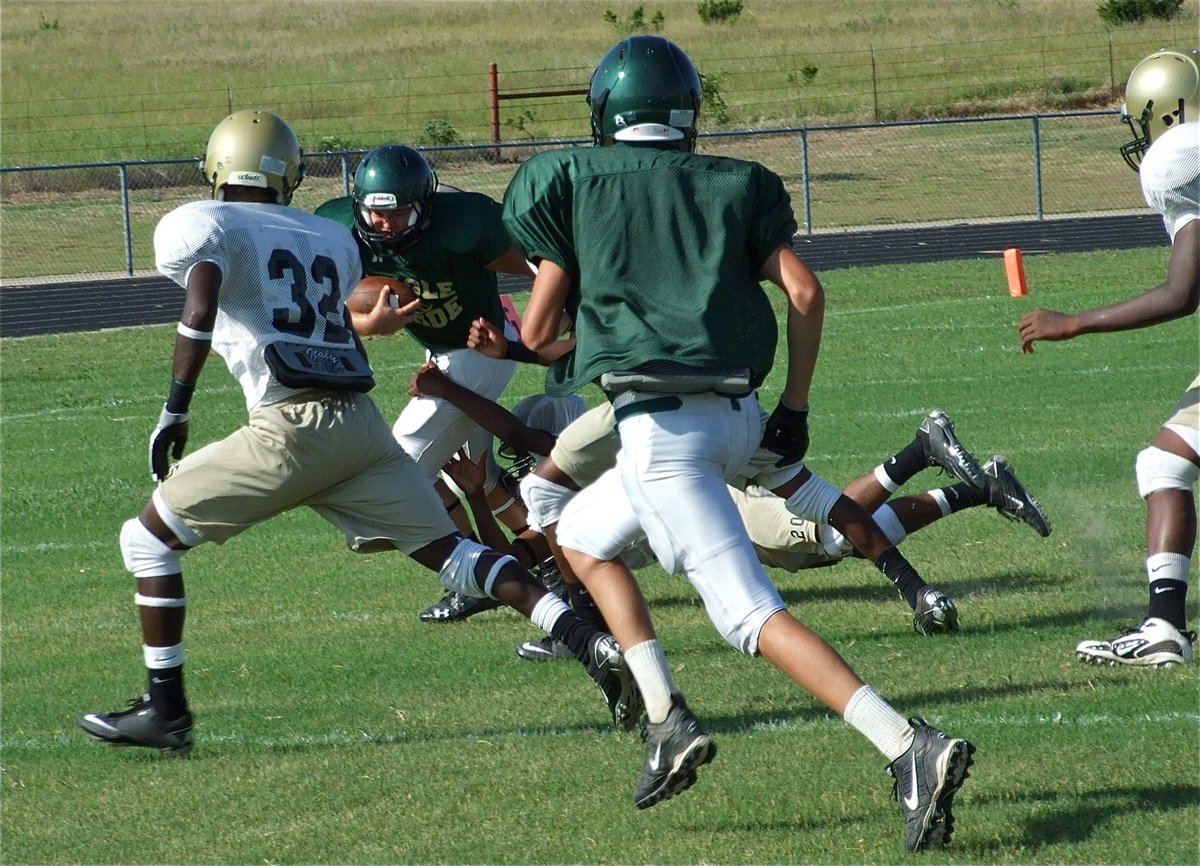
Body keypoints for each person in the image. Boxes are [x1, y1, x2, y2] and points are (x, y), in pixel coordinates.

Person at [500, 36, 974, 852]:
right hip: (738, 413)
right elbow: (805, 289)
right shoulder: (737, 181)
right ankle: (665, 717)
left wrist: (563, 326)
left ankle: (908, 746)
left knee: (749, 615)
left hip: (659, 431)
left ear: (607, 110)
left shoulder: (571, 178)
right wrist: (793, 406)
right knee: (579, 535)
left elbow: (540, 330)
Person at [75, 110, 642, 758]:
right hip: (360, 429)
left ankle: (166, 712)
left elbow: (200, 305)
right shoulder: (327, 237)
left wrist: (175, 409)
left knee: (144, 542)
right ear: (289, 171)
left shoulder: (205, 223)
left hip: (290, 428)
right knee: (455, 560)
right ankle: (588, 643)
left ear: (216, 166)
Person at [409, 359, 1051, 659]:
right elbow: (509, 559)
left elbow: (528, 463)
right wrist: (474, 496)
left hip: (715, 494)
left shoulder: (577, 454)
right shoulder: (559, 495)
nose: (526, 476)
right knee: (827, 544)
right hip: (707, 477)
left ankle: (920, 451)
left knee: (823, 536)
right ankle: (977, 488)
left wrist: (452, 399)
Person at [315, 144, 570, 624]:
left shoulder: (466, 222)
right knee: (472, 472)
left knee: (394, 477)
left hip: (483, 346)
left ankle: (476, 575)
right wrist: (371, 325)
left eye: (396, 213)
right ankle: (549, 564)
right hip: (444, 352)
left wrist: (557, 318)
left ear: (424, 205)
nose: (383, 224)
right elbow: (320, 293)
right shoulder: (340, 228)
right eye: (374, 212)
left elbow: (547, 264)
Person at [1018, 46, 1200, 667]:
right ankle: (1164, 627)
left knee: (1162, 467)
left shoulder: (1180, 157)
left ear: (1167, 110)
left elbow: (1183, 293)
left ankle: (1164, 629)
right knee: (1163, 464)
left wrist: (1074, 322)